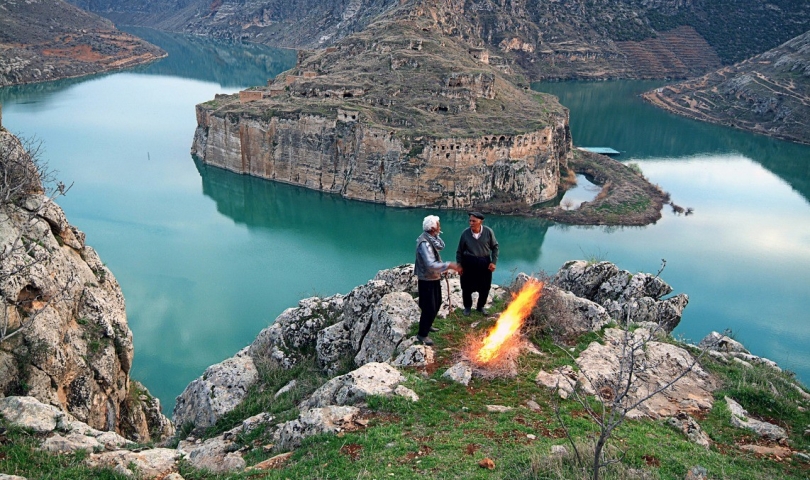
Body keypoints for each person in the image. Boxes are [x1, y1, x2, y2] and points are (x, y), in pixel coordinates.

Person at [415, 215, 461, 346]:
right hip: (426, 278)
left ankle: (427, 324)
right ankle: (422, 334)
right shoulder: (424, 243)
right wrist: (449, 265)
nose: (440, 226)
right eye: (438, 225)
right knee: (429, 306)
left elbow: (437, 253)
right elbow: (430, 263)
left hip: (433, 277)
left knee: (437, 302)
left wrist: (442, 268)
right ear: (433, 227)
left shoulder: (431, 239)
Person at [456, 211, 499, 315]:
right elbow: (459, 251)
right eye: (470, 220)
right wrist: (459, 265)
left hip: (484, 262)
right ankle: (467, 307)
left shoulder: (488, 232)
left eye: (473, 221)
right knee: (466, 286)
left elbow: (495, 247)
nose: (471, 223)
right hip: (469, 262)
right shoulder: (465, 233)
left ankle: (480, 306)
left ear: (480, 221)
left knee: (485, 287)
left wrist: (493, 262)